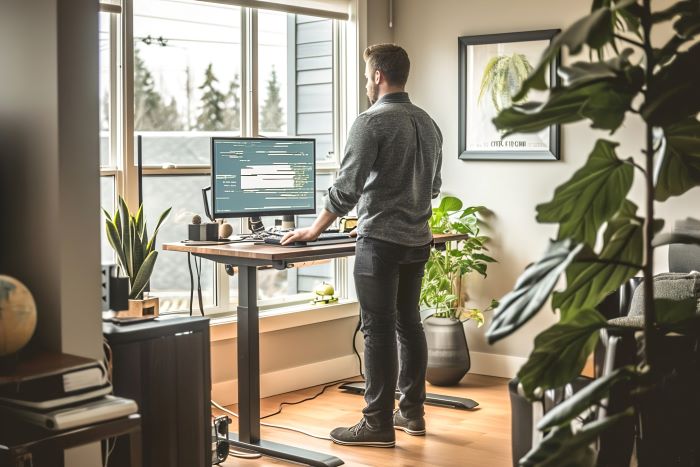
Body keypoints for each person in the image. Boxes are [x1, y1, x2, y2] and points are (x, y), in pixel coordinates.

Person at [281, 43, 443, 447]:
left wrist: (315, 229)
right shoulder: (428, 123)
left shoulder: (370, 122)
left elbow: (347, 188)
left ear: (377, 76)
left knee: (378, 330)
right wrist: (382, 214)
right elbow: (432, 188)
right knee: (409, 323)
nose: (366, 83)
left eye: (367, 75)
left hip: (381, 244)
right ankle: (412, 414)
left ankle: (377, 425)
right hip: (417, 239)